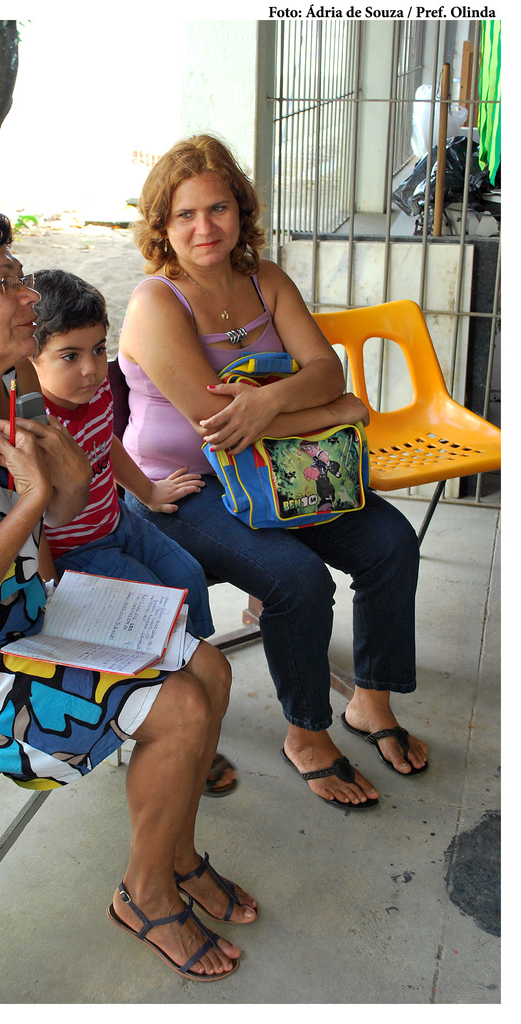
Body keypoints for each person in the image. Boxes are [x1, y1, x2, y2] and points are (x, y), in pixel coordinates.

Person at [0, 204, 256, 982]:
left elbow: (46, 525)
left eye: (21, 275)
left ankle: (174, 856)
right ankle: (145, 892)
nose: (28, 296)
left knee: (211, 669)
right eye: (2, 281)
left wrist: (60, 490)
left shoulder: (3, 392)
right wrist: (39, 500)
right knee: (178, 707)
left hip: (17, 616)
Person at [118, 134, 429, 812]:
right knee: (295, 579)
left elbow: (325, 369)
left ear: (242, 211)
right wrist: (335, 413)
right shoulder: (155, 303)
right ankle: (306, 732)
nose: (205, 228)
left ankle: (368, 702)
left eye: (219, 208)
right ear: (162, 228)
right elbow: (216, 428)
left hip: (284, 470)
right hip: (186, 488)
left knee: (389, 544)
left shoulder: (267, 280)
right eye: (185, 215)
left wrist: (269, 402)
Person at [29, 268, 237, 797]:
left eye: (99, 350)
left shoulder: (95, 396)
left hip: (117, 519)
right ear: (30, 360)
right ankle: (169, 715)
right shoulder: (34, 427)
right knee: (156, 609)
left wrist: (147, 491)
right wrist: (51, 594)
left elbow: (110, 446)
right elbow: (33, 519)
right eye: (69, 356)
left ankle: (196, 676)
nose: (92, 369)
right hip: (78, 553)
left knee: (187, 575)